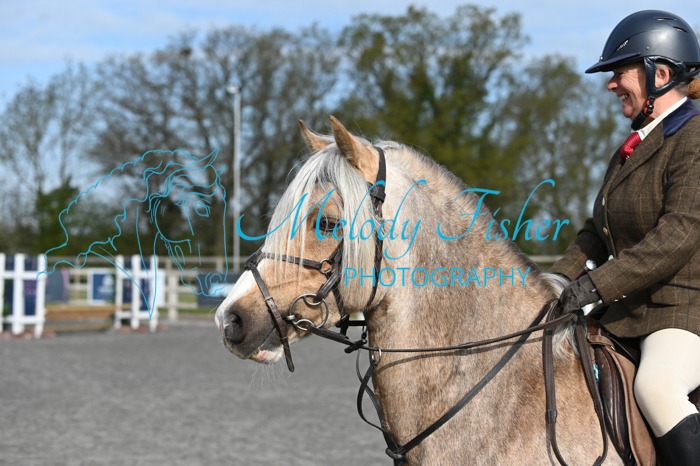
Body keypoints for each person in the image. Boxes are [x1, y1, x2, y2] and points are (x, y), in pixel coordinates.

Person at [552, 10, 700, 466]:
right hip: (626, 311)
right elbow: (596, 232)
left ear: (660, 74)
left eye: (620, 73)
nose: (612, 85)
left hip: (682, 309)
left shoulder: (695, 138)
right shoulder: (631, 148)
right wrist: (555, 283)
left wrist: (595, 286)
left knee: (657, 388)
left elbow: (678, 234)